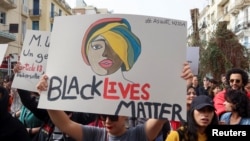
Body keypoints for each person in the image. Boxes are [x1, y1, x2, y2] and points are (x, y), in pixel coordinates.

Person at [36, 62, 193, 141]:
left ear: (125, 115)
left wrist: (181, 84)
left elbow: (162, 115)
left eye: (113, 116)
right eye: (104, 116)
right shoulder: (97, 135)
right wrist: (47, 95)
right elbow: (65, 124)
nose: (107, 121)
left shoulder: (137, 135)